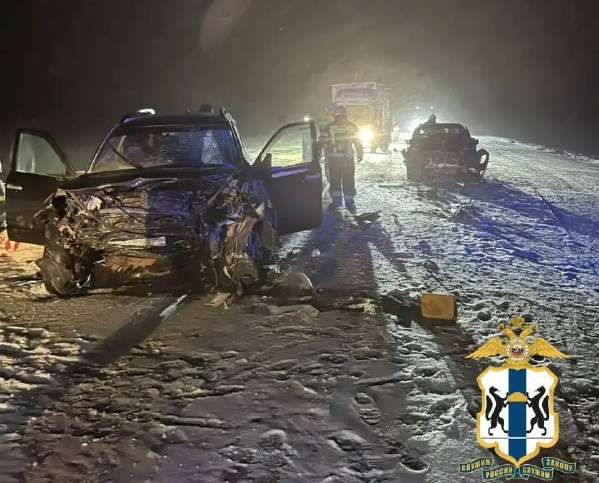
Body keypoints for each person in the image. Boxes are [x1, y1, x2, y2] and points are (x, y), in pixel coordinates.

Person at [319, 105, 363, 214]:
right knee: (349, 180)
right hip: (348, 159)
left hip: (334, 159)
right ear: (346, 115)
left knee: (335, 181)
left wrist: (317, 152)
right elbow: (358, 142)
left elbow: (322, 140)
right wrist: (360, 153)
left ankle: (337, 203)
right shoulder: (351, 126)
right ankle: (349, 204)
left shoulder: (329, 126)